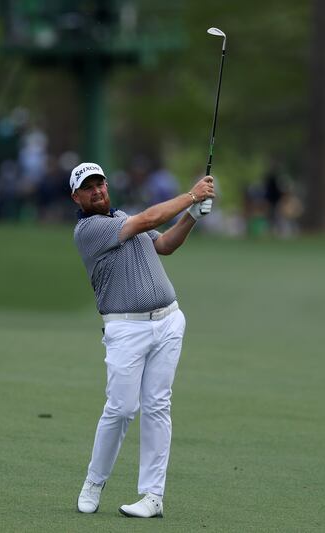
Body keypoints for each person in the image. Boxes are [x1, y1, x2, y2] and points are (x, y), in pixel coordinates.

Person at [70, 162, 215, 519]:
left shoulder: (123, 217)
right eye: (88, 188)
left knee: (157, 407)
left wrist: (193, 215)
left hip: (168, 321)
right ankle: (94, 481)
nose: (97, 191)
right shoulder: (90, 230)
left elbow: (164, 244)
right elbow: (149, 221)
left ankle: (152, 496)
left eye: (100, 183)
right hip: (125, 329)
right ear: (77, 197)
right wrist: (191, 195)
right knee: (120, 408)